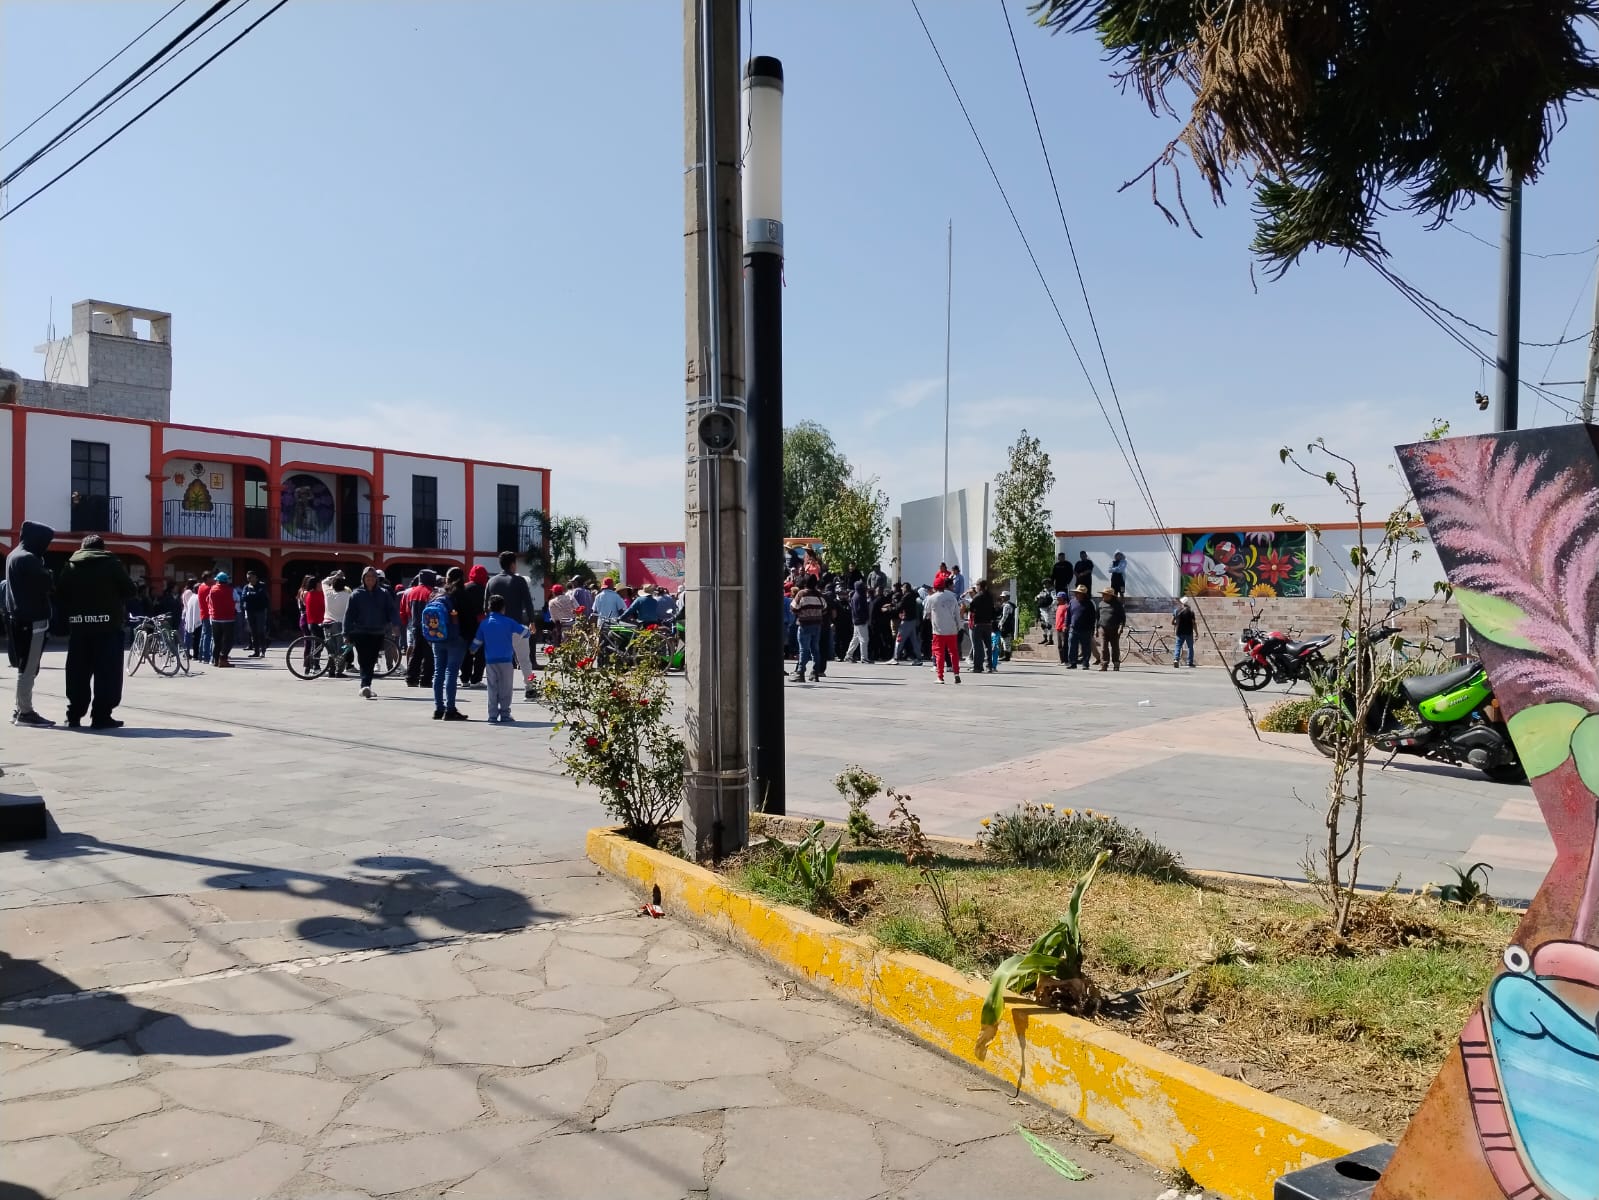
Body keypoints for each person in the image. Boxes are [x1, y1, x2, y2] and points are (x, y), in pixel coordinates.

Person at [56, 534, 135, 729]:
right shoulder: (111, 564)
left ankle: (73, 715)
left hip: (79, 626)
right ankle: (101, 716)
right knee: (107, 673)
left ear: (82, 548)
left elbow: (60, 593)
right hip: (108, 627)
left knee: (77, 672)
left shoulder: (71, 565)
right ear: (103, 547)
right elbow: (130, 590)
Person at [5, 521, 56, 727]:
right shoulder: (30, 559)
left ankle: (19, 708)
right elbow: (48, 584)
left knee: (23, 664)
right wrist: (48, 573)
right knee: (29, 666)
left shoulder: (13, 555)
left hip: (17, 617)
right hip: (33, 619)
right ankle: (25, 711)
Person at [486, 551, 538, 697]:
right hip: (516, 627)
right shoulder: (519, 581)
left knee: (500, 660)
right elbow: (528, 602)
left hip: (496, 628)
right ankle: (530, 688)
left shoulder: (491, 581)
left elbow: (485, 606)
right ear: (513, 564)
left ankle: (497, 689)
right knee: (523, 659)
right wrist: (532, 621)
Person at [470, 594, 528, 723]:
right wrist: (527, 628)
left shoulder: (484, 623)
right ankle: (505, 714)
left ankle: (492, 715)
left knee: (492, 687)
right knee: (506, 688)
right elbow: (525, 633)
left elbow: (477, 642)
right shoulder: (509, 622)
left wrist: (472, 650)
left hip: (490, 661)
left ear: (489, 608)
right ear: (503, 608)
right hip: (506, 660)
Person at [342, 566, 399, 698]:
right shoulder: (356, 594)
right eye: (368, 577)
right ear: (363, 579)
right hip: (360, 631)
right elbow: (348, 615)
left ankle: (366, 684)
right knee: (363, 658)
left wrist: (396, 624)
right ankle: (365, 685)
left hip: (378, 631)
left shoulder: (384, 593)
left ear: (376, 579)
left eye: (373, 577)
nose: (370, 580)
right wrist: (346, 633)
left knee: (372, 659)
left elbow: (391, 610)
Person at [423, 566, 471, 719]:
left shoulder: (436, 594)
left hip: (437, 638)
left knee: (439, 672)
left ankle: (438, 708)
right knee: (451, 672)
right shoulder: (460, 594)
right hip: (455, 639)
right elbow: (466, 618)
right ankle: (450, 709)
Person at [402, 569, 437, 687]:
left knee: (416, 653)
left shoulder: (411, 592)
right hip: (429, 627)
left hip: (415, 626)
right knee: (429, 654)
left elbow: (407, 610)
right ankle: (425, 679)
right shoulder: (431, 592)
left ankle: (411, 678)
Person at [926, 578, 962, 684]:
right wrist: (958, 626)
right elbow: (957, 613)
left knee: (939, 653)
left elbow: (927, 613)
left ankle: (940, 677)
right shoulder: (952, 597)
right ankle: (956, 674)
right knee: (954, 652)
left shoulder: (931, 598)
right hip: (952, 629)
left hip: (938, 630)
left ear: (935, 587)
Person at [791, 579, 826, 683]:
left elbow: (793, 607)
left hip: (804, 624)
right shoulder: (819, 595)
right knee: (815, 649)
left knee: (803, 649)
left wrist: (801, 613)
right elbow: (825, 607)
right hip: (817, 624)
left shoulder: (801, 594)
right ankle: (815, 673)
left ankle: (800, 673)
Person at [460, 565, 489, 687]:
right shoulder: (485, 589)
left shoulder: (464, 588)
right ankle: (476, 679)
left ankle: (465, 678)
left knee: (466, 652)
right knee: (480, 654)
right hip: (480, 625)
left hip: (465, 625)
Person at [322, 572, 351, 676]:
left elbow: (324, 581)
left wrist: (335, 576)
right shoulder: (347, 595)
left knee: (331, 650)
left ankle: (331, 670)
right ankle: (339, 671)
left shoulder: (327, 592)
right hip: (339, 624)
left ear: (332, 585)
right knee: (341, 649)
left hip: (327, 623)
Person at [209, 572, 238, 667]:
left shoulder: (212, 590)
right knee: (228, 640)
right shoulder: (231, 590)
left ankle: (215, 660)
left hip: (215, 619)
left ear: (217, 580)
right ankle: (223, 658)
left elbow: (208, 601)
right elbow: (237, 601)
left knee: (217, 641)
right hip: (228, 619)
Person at [967, 579, 997, 675]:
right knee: (988, 646)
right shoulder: (990, 596)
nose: (976, 587)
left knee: (978, 646)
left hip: (978, 624)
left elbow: (971, 608)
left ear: (980, 586)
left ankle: (978, 667)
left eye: (977, 585)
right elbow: (993, 610)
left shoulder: (977, 597)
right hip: (988, 624)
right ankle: (989, 666)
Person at [241, 570, 271, 657]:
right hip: (250, 611)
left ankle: (263, 650)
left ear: (255, 577)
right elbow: (243, 597)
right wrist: (253, 595)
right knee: (253, 632)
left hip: (260, 611)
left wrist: (250, 595)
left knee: (260, 631)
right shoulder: (246, 587)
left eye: (250, 577)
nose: (249, 579)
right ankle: (256, 651)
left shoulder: (262, 585)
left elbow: (261, 596)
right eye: (247, 578)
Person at [892, 584, 923, 665]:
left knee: (899, 639)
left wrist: (890, 608)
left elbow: (899, 607)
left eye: (903, 587)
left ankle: (895, 658)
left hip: (907, 620)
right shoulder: (914, 595)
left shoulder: (906, 597)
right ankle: (918, 658)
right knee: (914, 640)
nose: (901, 589)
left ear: (906, 588)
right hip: (913, 620)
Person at [1067, 584, 1096, 669]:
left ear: (1083, 594)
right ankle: (1072, 663)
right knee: (1072, 646)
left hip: (1085, 629)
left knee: (1086, 648)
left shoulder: (1089, 604)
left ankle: (1085, 663)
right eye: (1076, 592)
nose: (1076, 594)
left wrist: (1092, 629)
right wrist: (1066, 624)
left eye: (1078, 593)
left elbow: (1092, 617)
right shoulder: (1072, 602)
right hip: (1073, 628)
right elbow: (1068, 615)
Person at [1098, 586, 1126, 672]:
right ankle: (1104, 664)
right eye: (1103, 594)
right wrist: (1096, 628)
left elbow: (1122, 617)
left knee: (1115, 648)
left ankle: (1116, 664)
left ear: (1111, 596)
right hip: (1103, 628)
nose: (1103, 596)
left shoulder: (1117, 605)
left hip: (1114, 629)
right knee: (1103, 648)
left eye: (1105, 595)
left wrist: (1121, 627)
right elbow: (1097, 616)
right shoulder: (1101, 604)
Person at [845, 581, 872, 664]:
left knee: (855, 639)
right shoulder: (860, 597)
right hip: (861, 621)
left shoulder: (856, 596)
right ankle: (864, 658)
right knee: (864, 639)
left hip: (857, 621)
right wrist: (865, 619)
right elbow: (860, 610)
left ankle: (848, 655)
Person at [195, 570, 215, 665]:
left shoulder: (200, 587)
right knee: (208, 636)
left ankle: (201, 656)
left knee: (204, 635)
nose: (213, 579)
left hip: (203, 613)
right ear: (207, 578)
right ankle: (206, 656)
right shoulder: (208, 588)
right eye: (211, 577)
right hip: (208, 613)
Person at [1173, 596, 1197, 668]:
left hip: (1179, 631)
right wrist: (1196, 632)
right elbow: (1194, 623)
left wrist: (1177, 624)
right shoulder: (1191, 612)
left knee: (1178, 646)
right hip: (1189, 632)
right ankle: (1190, 662)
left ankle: (1176, 659)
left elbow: (1172, 622)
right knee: (1190, 647)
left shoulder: (1177, 611)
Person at [1054, 591, 1071, 664]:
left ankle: (1066, 660)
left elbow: (1066, 617)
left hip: (1063, 628)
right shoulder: (1058, 606)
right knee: (1060, 645)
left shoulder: (1066, 607)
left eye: (1059, 598)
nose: (1058, 599)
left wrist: (1065, 626)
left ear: (1063, 598)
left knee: (1065, 645)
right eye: (1057, 598)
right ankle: (1062, 660)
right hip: (1058, 628)